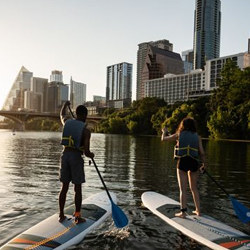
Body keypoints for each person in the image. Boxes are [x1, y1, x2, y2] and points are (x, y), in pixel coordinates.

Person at [161, 117, 206, 218]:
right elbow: (202, 153)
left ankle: (183, 213)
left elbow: (163, 139)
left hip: (183, 163)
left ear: (183, 125)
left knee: (183, 189)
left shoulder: (178, 135)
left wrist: (164, 131)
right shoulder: (198, 137)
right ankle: (198, 211)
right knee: (194, 188)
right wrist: (204, 165)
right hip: (194, 163)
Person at [59, 101, 94, 223]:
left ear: (76, 113)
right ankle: (78, 216)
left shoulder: (67, 123)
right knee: (77, 189)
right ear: (84, 115)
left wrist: (64, 105)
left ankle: (61, 215)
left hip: (65, 156)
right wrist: (92, 155)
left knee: (64, 187)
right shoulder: (86, 131)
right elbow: (86, 152)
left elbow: (62, 115)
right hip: (75, 158)